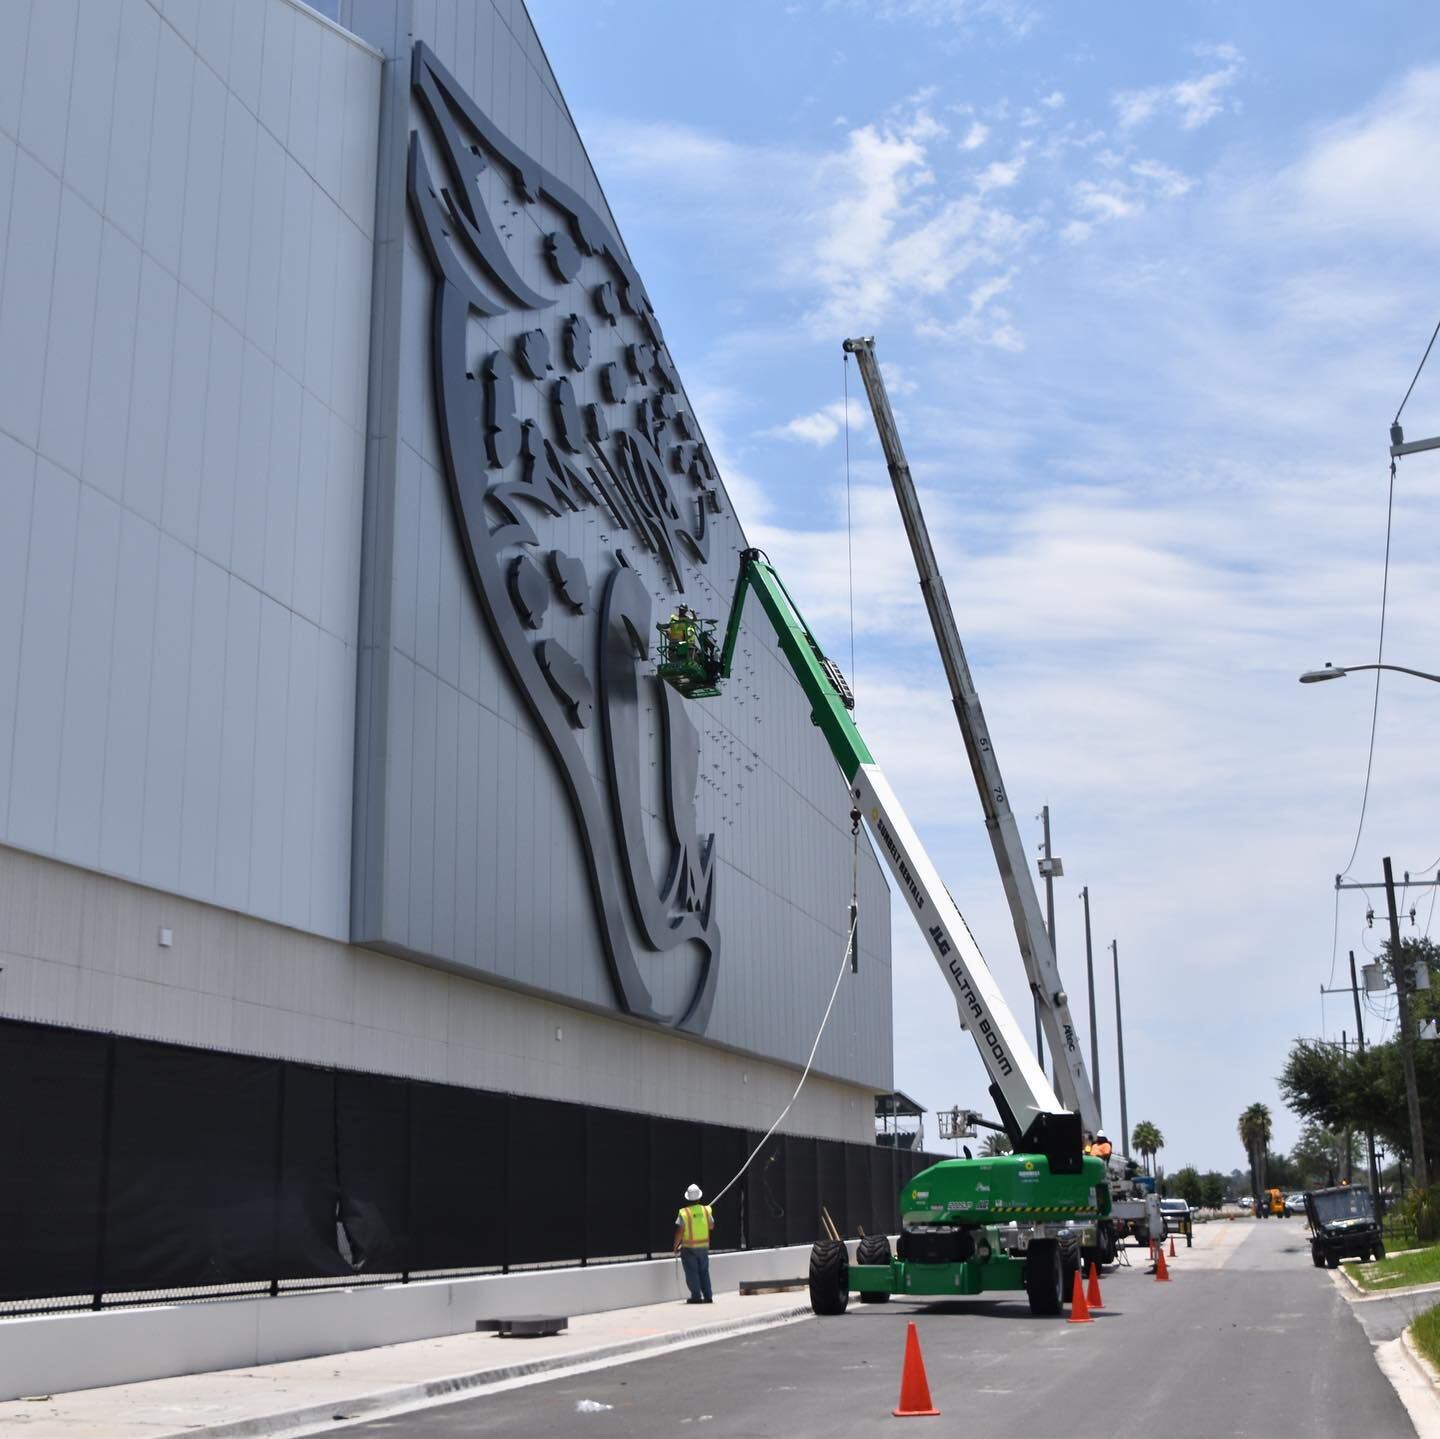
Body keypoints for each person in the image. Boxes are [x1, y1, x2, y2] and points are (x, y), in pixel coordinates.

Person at [673, 1182, 714, 1304]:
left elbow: (679, 1231)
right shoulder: (706, 1210)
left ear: (688, 1198)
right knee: (704, 1272)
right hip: (704, 1247)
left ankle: (696, 1296)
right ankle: (708, 1296)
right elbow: (711, 1226)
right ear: (699, 1197)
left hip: (689, 1248)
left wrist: (675, 1246)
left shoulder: (684, 1213)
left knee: (692, 1273)